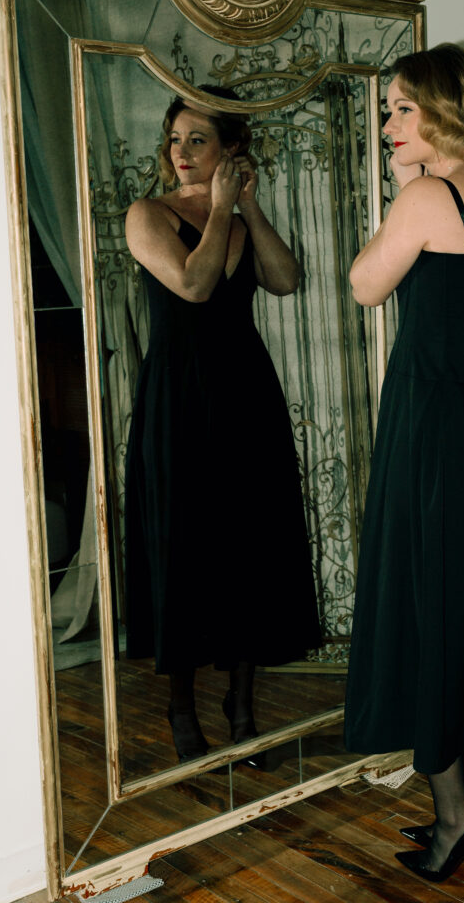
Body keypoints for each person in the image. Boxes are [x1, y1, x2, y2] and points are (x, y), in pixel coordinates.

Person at [343, 44, 464, 885]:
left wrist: (404, 188)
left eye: (401, 107)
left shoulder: (428, 196)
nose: (387, 123)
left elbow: (363, 285)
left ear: (442, 110)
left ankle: (455, 816)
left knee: (429, 611)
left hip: (429, 431)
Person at [123, 86, 321, 766]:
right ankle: (181, 706)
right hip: (177, 399)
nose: (180, 152)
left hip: (245, 398)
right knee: (185, 546)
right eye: (175, 139)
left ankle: (242, 707)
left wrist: (249, 207)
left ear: (233, 149)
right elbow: (194, 285)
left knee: (250, 546)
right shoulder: (147, 215)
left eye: (197, 140)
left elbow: (286, 280)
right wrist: (216, 211)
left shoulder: (238, 219)